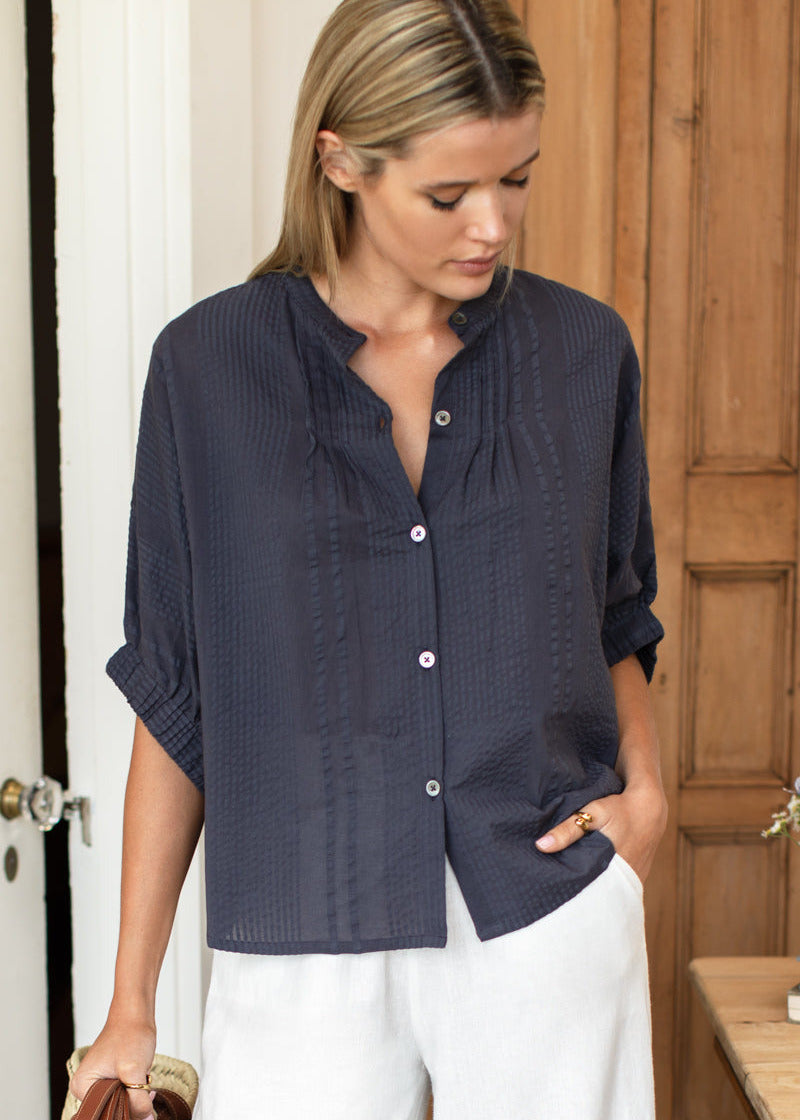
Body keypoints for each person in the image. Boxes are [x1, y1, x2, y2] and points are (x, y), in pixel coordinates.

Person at [71, 1, 667, 1117]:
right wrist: (130, 1002)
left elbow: (612, 614)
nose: (490, 225)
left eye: (517, 180)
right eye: (447, 194)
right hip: (301, 913)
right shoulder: (208, 370)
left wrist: (645, 803)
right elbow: (175, 684)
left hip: (538, 897)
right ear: (338, 161)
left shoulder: (582, 354)